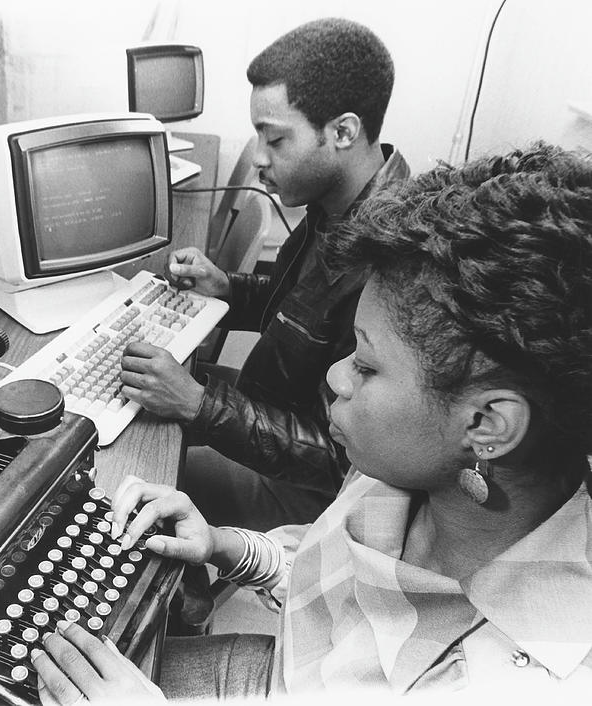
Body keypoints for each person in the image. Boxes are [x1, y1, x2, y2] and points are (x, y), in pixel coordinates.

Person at [29, 142, 592, 701]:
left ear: (488, 425)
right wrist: (225, 546)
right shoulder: (404, 464)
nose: (336, 377)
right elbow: (342, 570)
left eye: (366, 365)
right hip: (293, 670)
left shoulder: (519, 683)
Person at [120, 18, 410, 535]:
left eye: (274, 139)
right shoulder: (336, 204)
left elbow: (337, 456)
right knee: (132, 406)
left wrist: (198, 405)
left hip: (310, 490)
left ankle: (182, 603)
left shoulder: (389, 269)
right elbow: (302, 312)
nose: (258, 158)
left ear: (343, 132)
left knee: (128, 476)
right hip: (276, 401)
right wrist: (229, 288)